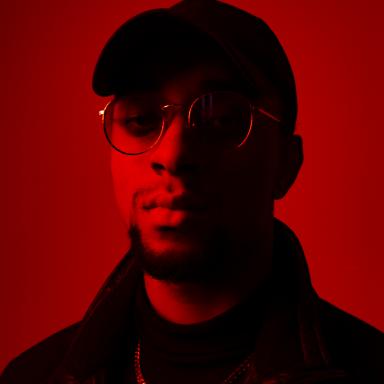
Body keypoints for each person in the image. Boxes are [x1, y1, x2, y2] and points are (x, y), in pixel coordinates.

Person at [1, 0, 383, 383]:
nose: (173, 154)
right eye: (141, 119)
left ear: (287, 162)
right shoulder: (32, 376)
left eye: (221, 119)